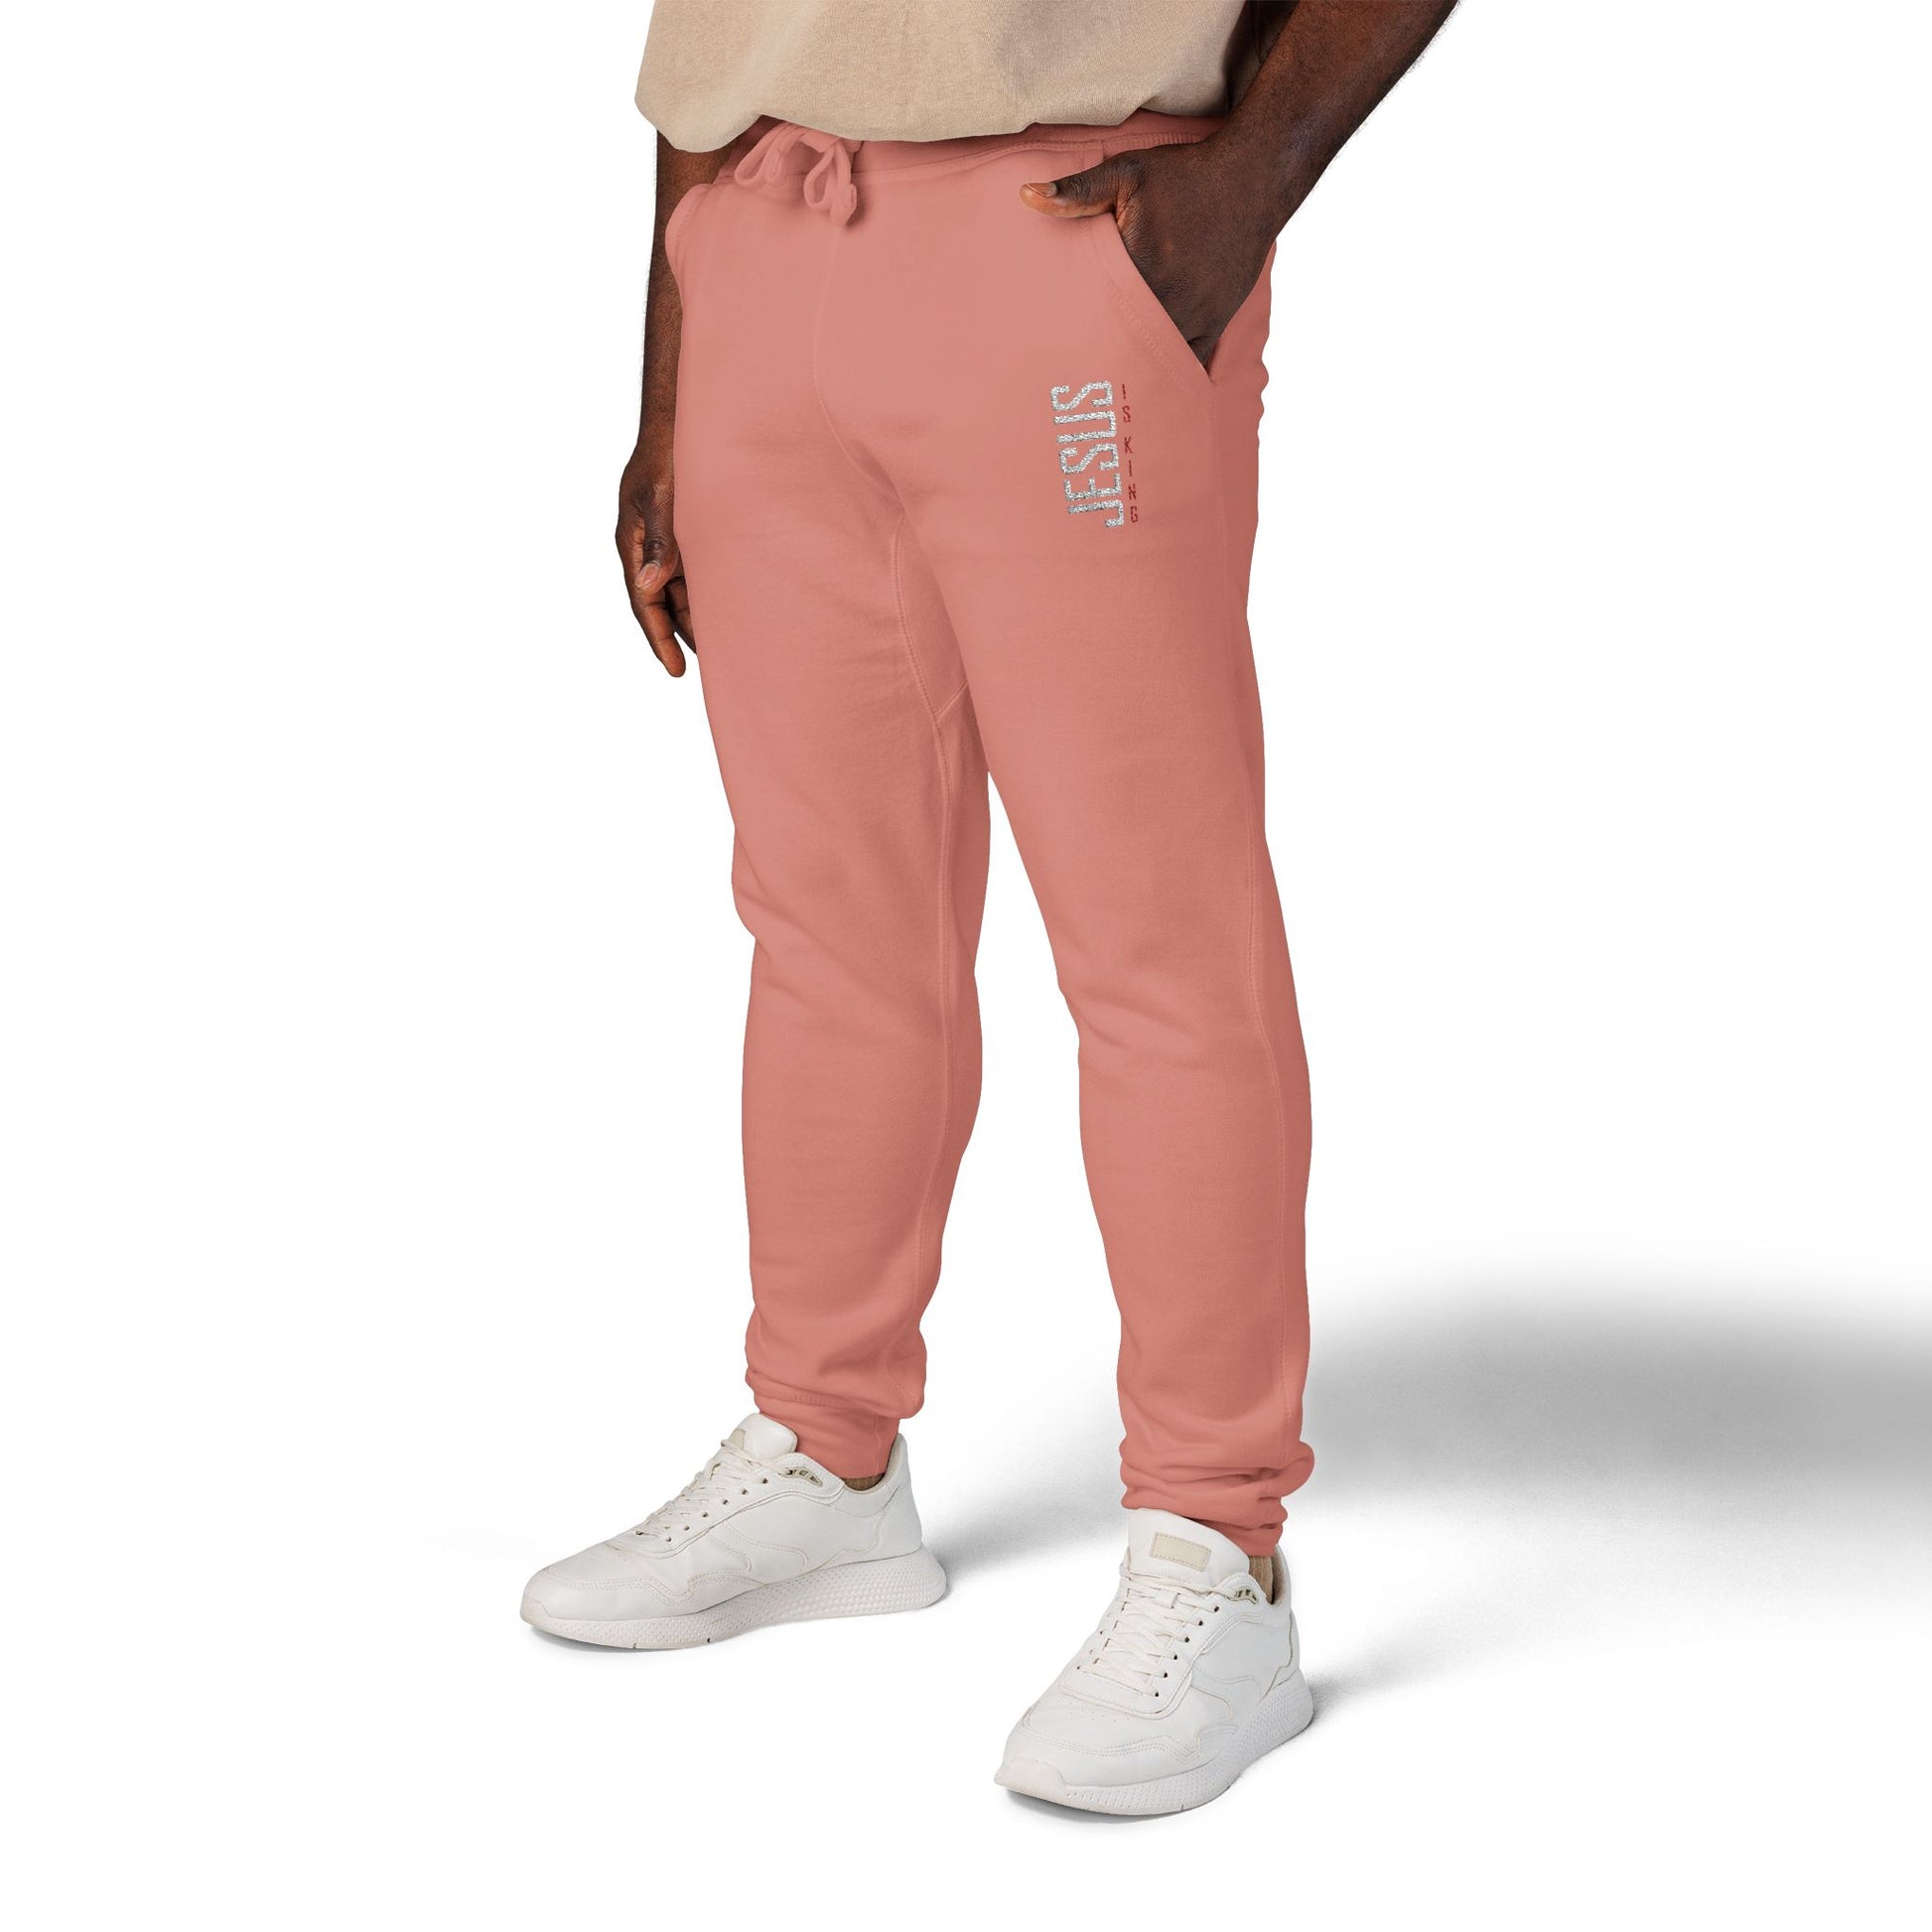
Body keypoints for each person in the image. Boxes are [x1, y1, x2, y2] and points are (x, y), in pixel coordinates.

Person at [523, 0, 1457, 1814]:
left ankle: (1215, 1547)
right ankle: (826, 1453)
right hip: (755, 238)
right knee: (824, 922)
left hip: (1060, 244)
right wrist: (675, 369)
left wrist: (1232, 196)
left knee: (1153, 933)